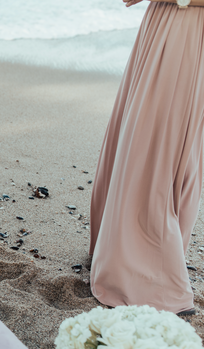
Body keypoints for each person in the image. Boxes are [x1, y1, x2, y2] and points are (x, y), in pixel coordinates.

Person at [89, 0, 204, 315]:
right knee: (142, 138)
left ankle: (153, 272)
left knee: (157, 145)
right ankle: (118, 250)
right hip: (162, 23)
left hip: (189, 29)